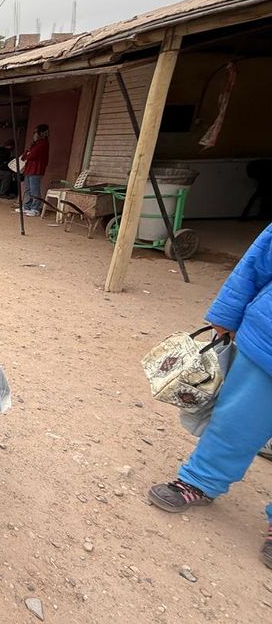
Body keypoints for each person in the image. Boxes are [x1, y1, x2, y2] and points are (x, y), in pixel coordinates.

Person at [147, 222, 272, 570]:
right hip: (266, 344)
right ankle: (201, 480)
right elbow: (257, 262)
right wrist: (225, 315)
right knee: (235, 422)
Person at [19, 124, 49, 217]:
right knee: (28, 189)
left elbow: (31, 155)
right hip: (29, 169)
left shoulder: (43, 143)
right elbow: (25, 155)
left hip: (36, 169)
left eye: (36, 132)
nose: (35, 134)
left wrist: (28, 154)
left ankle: (35, 208)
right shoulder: (35, 144)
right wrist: (27, 153)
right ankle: (27, 206)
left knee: (34, 189)